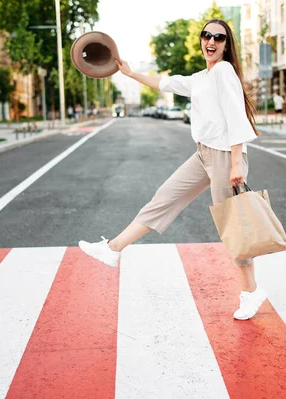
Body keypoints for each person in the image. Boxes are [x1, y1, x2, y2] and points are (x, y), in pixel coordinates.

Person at [78, 19, 267, 320]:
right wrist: (129, 72)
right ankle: (114, 248)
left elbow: (236, 117)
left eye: (219, 37)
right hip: (203, 154)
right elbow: (165, 83)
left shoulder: (224, 72)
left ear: (226, 45)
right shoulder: (202, 77)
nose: (212, 41)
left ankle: (251, 292)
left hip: (224, 158)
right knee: (164, 197)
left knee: (233, 227)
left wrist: (235, 163)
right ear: (202, 40)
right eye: (207, 35)